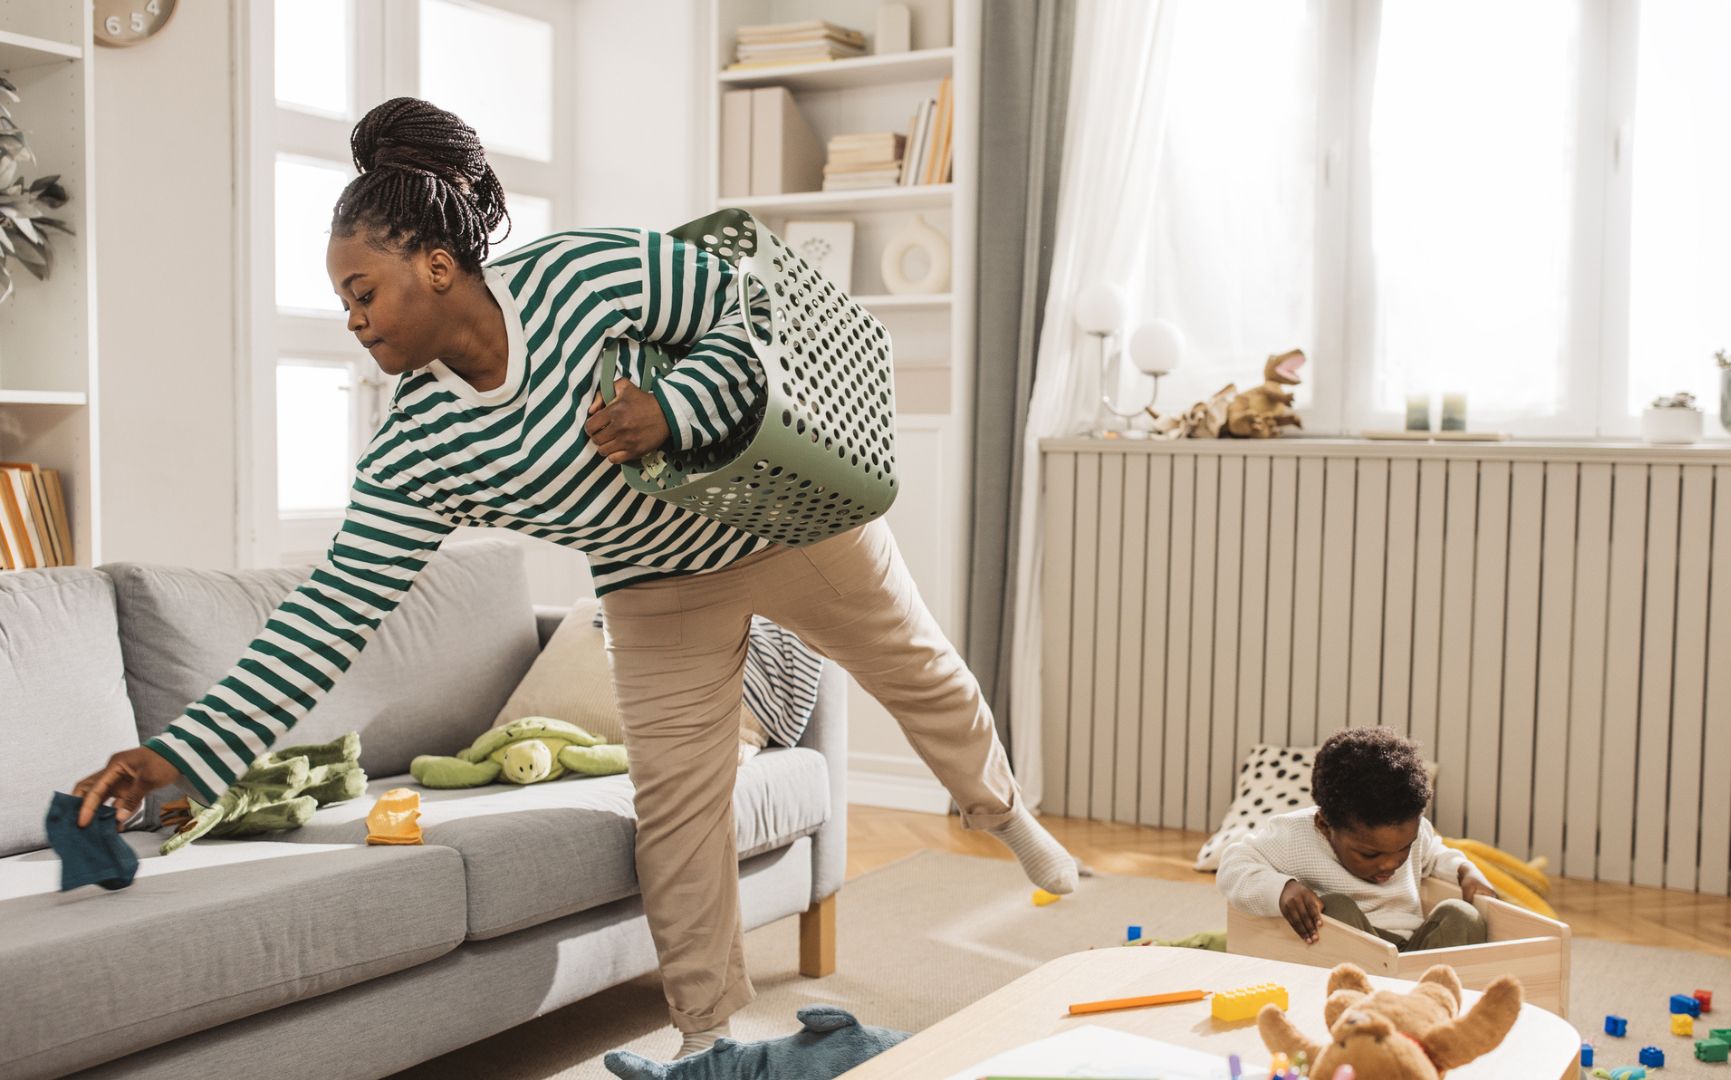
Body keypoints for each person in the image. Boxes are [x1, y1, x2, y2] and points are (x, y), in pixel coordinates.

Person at [67, 97, 1077, 1058]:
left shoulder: (581, 275)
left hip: (780, 520)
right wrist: (180, 756)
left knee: (919, 673)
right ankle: (711, 1034)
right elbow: (324, 620)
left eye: (360, 293)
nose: (353, 322)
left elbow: (750, 315)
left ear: (435, 264)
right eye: (343, 303)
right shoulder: (415, 446)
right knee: (678, 810)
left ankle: (1006, 817)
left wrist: (670, 410)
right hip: (652, 585)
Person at [1216, 726, 1494, 951]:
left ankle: (1424, 999)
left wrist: (1465, 870)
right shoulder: (1295, 835)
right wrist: (1281, 889)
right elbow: (1234, 864)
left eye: (1403, 849)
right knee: (1335, 906)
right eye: (1370, 854)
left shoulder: (1415, 831)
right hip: (1348, 956)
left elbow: (1435, 854)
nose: (1390, 864)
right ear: (1325, 826)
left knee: (1462, 915)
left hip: (1411, 951)